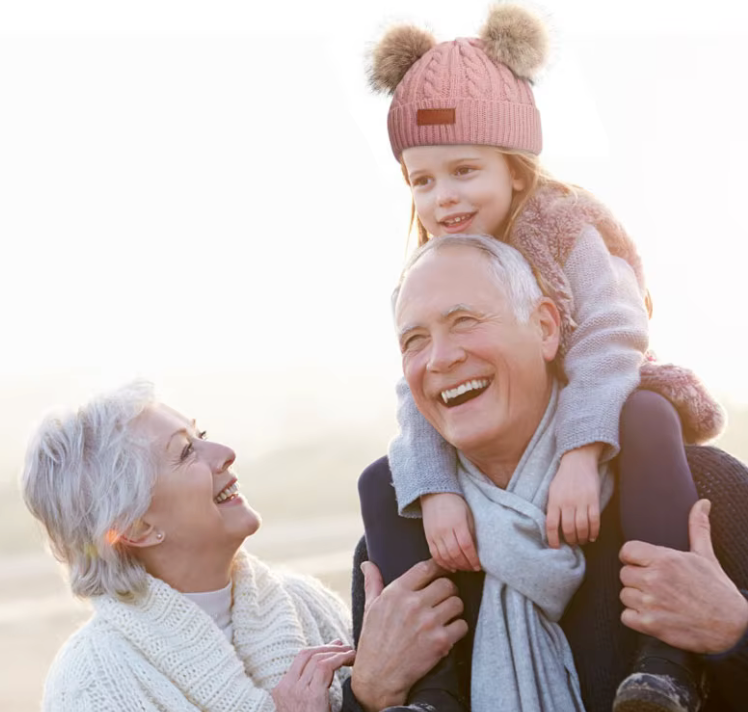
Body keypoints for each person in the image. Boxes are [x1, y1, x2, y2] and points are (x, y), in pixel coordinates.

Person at [364, 4, 724, 710]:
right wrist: (436, 490)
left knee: (649, 417)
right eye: (423, 180)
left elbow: (614, 334)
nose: (444, 198)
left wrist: (580, 454)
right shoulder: (435, 265)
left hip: (602, 397)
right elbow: (418, 391)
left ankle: (667, 661)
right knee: (385, 480)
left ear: (516, 165)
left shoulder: (566, 223)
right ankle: (431, 689)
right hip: (509, 443)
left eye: (464, 170)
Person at [353, 235, 748, 712]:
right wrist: (368, 694)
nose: (440, 358)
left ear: (545, 327)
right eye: (415, 341)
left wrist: (736, 632)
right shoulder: (398, 546)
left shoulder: (704, 491)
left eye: (465, 321)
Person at [21, 381, 467, 712]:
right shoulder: (90, 682)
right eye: (185, 453)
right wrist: (367, 693)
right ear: (136, 526)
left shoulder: (303, 603)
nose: (224, 452)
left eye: (202, 434)